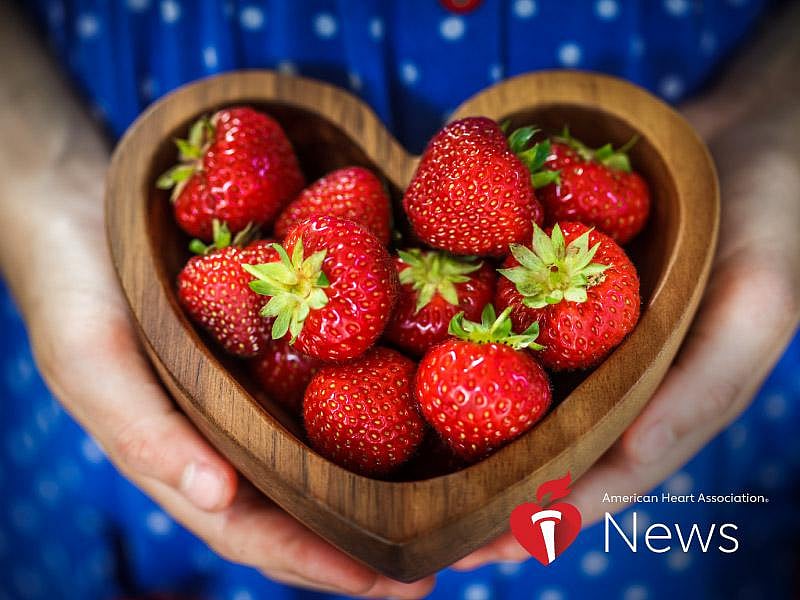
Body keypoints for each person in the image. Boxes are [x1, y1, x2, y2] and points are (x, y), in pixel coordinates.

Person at [0, 1, 798, 598]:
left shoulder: (498, 280)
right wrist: (36, 171)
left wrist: (781, 127)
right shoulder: (328, 276)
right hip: (110, 208)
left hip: (685, 356)